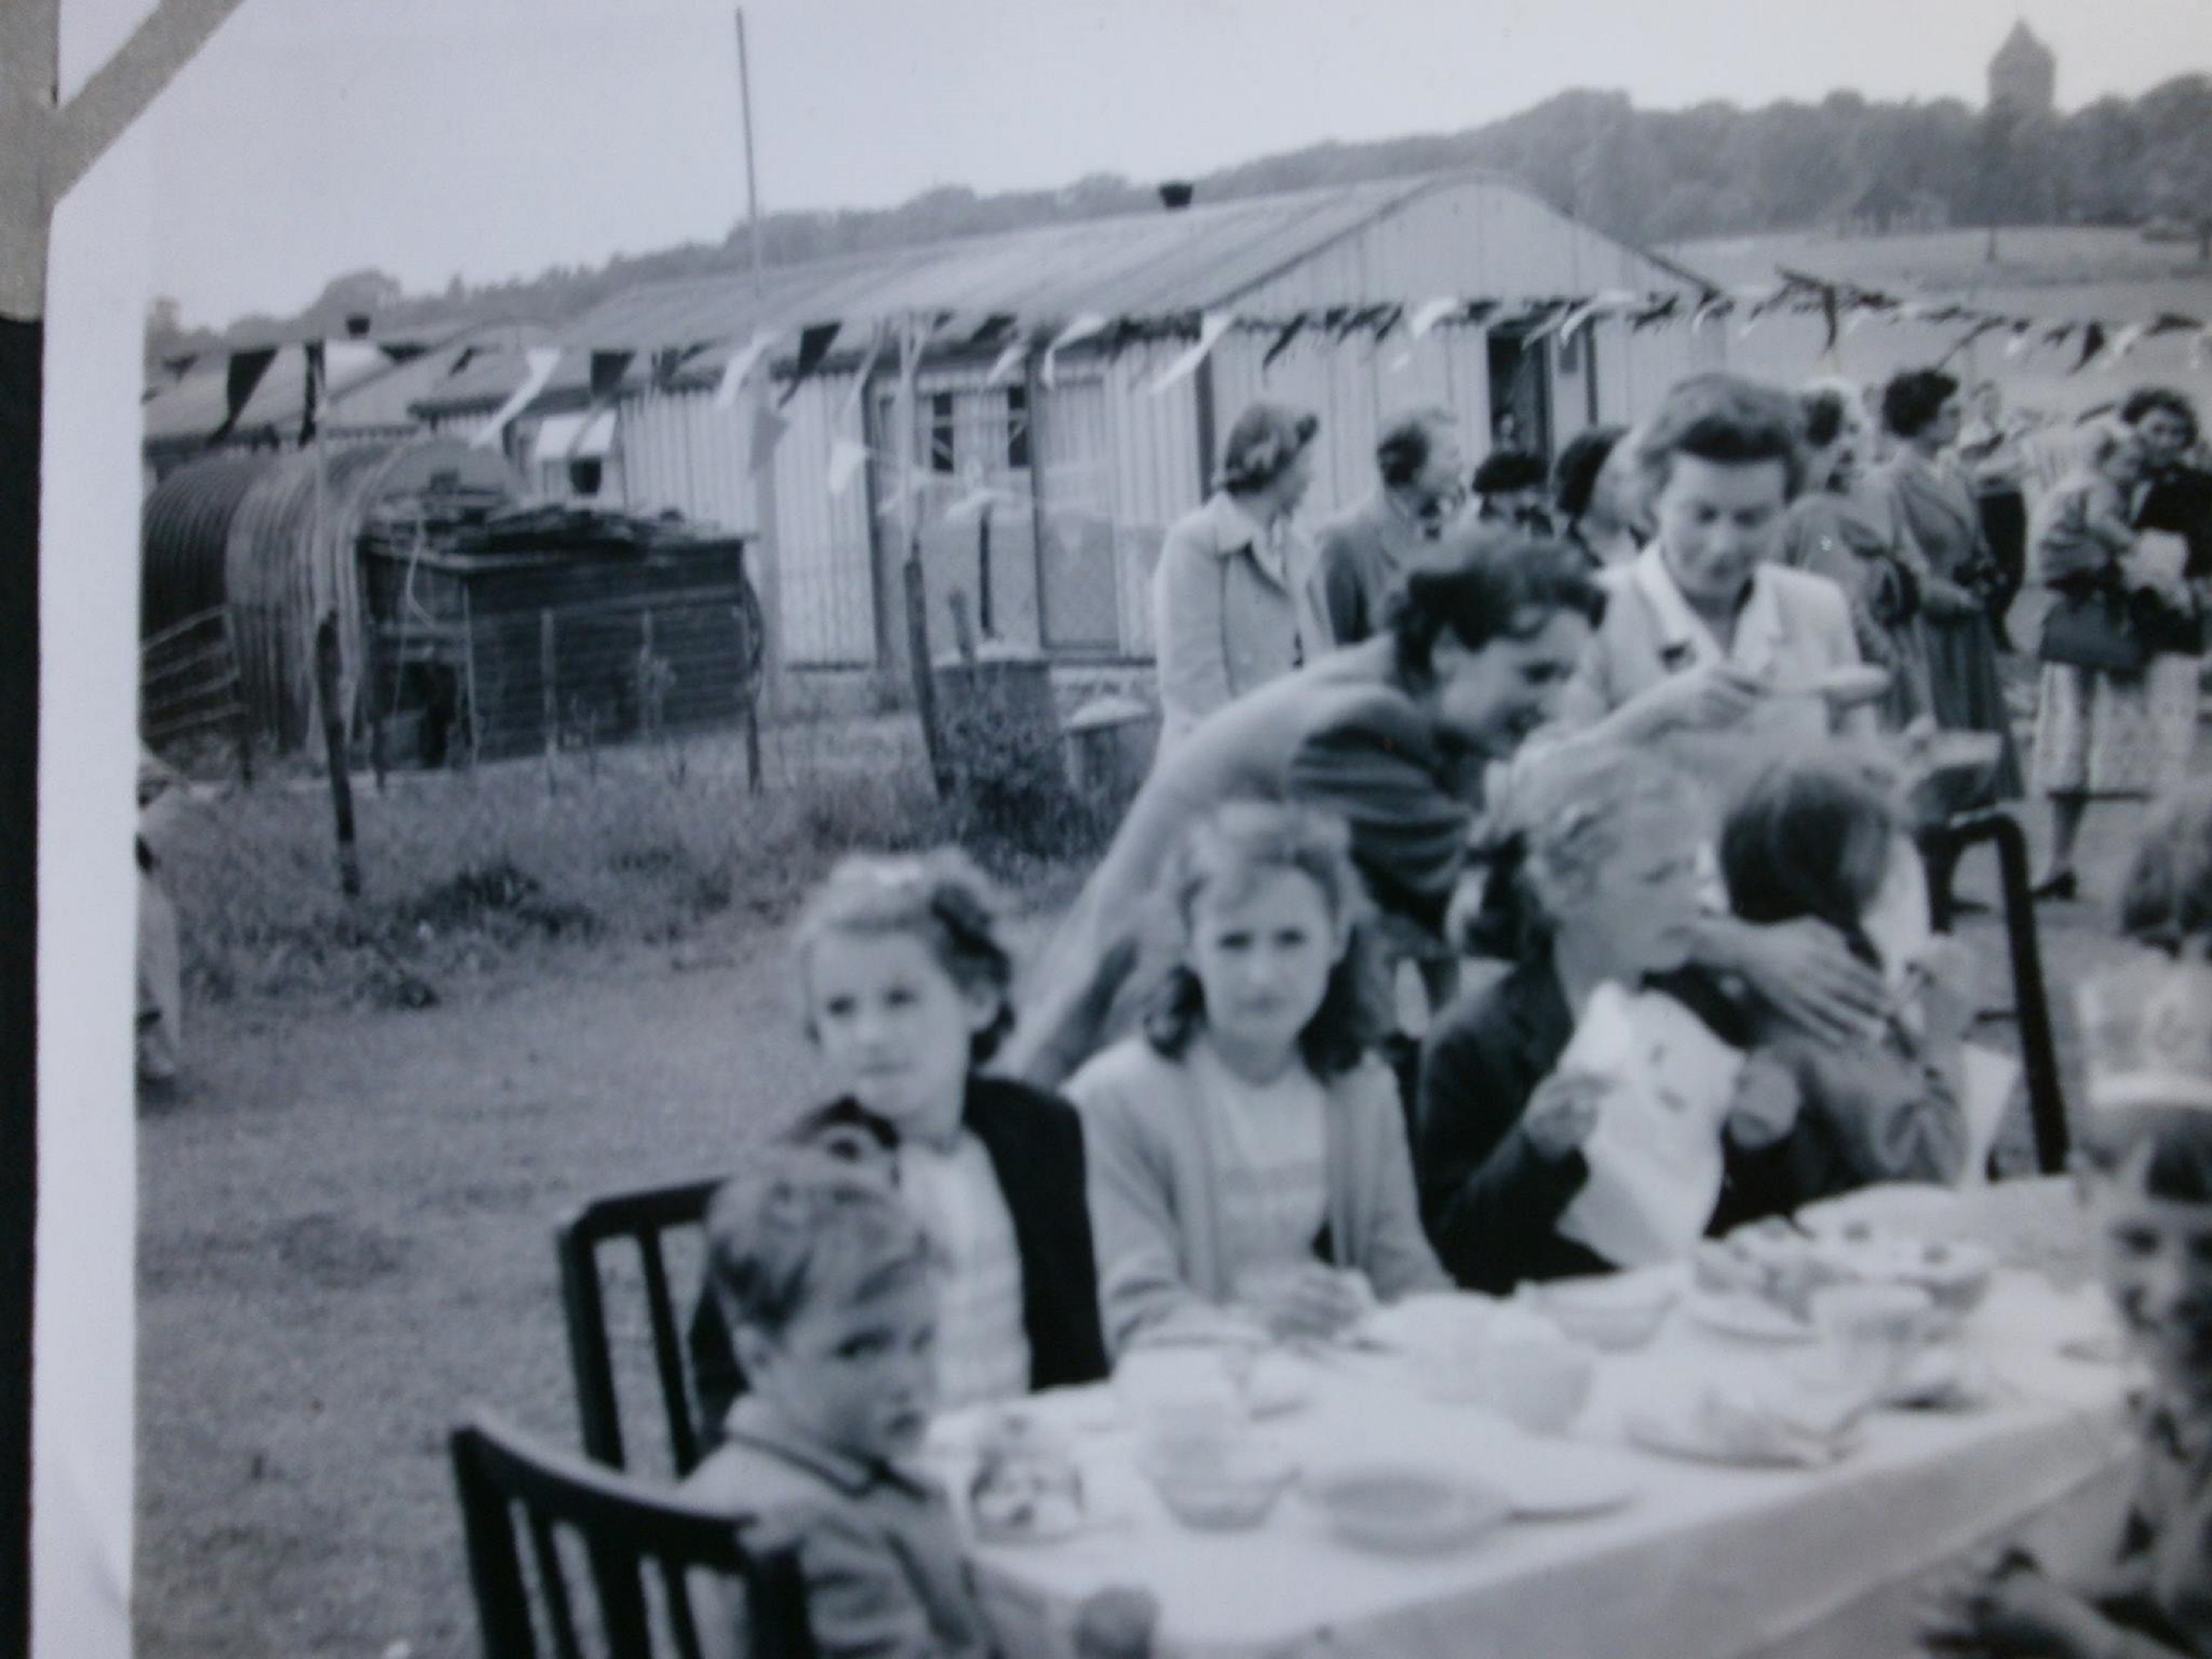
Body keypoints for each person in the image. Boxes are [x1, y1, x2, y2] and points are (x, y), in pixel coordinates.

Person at [1004, 529, 1607, 1091]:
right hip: (1155, 1038)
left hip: (1236, 1015)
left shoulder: (1429, 704)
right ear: (1449, 647)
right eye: (1535, 674)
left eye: (1565, 677)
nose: (1554, 704)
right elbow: (1493, 908)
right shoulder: (1362, 724)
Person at [688, 853, 1108, 1448]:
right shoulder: (807, 1175)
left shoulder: (1042, 1133)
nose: (870, 1035)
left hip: (1034, 1457)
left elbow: (1083, 1326)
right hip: (874, 1477)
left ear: (978, 1000)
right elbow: (726, 1374)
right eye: (841, 1009)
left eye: (900, 999)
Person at [685, 1152, 1155, 1659]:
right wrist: (1086, 1647)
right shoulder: (814, 1522)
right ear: (760, 1359)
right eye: (860, 1349)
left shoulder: (743, 1475)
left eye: (922, 1341)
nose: (906, 1379)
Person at [1066, 803, 1447, 1353]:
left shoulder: (1362, 1087)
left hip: (1326, 1381)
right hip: (1189, 1398)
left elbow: (1403, 1272)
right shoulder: (1116, 1100)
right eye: (1233, 942)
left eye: (1291, 939)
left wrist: (1466, 1329)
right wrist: (1257, 1325)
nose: (1262, 975)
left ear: (1337, 939)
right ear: (1191, 946)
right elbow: (1134, 1314)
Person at [1417, 744, 1795, 1293]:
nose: (1690, 896)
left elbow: (1745, 1218)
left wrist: (1763, 1139)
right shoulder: (1473, 1042)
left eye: (1691, 868)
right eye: (1657, 877)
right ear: (1564, 893)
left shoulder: (1703, 1007)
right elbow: (1459, 1254)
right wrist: (1534, 1153)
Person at [1921, 959, 2212, 1659]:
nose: (2173, 1290)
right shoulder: (2184, 1402)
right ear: (2084, 1200)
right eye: (2137, 1240)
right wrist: (2030, 1594)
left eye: (2211, 1250)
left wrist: (2070, 1632)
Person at [1536, 373, 1878, 797]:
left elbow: (1862, 776)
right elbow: (1538, 788)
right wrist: (1653, 713)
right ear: (1653, 501)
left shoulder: (1818, 608)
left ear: (1786, 509)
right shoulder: (1587, 612)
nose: (1723, 546)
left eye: (1752, 519)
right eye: (1700, 515)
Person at [1716, 754, 1973, 1213]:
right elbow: (1930, 1164)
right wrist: (1943, 1038)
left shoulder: (1753, 980)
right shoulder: (1826, 1003)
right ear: (1852, 880)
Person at [2028, 422, 2186, 901]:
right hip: (2106, 622)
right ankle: (2159, 867)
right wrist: (2143, 554)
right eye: (2129, 463)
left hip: (2076, 619)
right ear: (2104, 459)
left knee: (2073, 745)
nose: (2135, 472)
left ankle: (2059, 860)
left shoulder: (2066, 485)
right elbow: (2104, 529)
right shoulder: (2099, 489)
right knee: (2138, 746)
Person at [1872, 368, 2025, 800]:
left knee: (1973, 738)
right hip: (1925, 624)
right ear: (1919, 418)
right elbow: (1888, 554)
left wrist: (1985, 580)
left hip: (1967, 619)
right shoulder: (1888, 482)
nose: (1959, 420)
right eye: (1949, 412)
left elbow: (1976, 545)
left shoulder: (1956, 478)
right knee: (1938, 733)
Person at [1151, 401, 1319, 749]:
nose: (1312, 475)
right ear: (1271, 463)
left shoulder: (1298, 545)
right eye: (1305, 462)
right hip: (1223, 769)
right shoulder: (1197, 543)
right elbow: (1194, 686)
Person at [1779, 383, 1932, 731]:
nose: (1844, 448)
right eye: (1834, 437)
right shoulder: (1812, 514)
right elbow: (1834, 576)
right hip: (1844, 657)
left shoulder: (1876, 494)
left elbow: (1907, 556)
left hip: (1880, 641)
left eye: (1852, 431)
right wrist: (1890, 660)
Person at [1304, 407, 1466, 650]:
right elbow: (1330, 651)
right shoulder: (1345, 539)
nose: (1462, 466)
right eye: (1451, 455)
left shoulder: (1457, 529)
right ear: (1413, 467)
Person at [2123, 388, 2212, 786]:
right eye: (2155, 430)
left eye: (2177, 433)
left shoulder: (2199, 485)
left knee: (2171, 736)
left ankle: (2164, 829)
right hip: (2112, 620)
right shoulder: (2113, 481)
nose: (2166, 441)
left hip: (2175, 619)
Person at [1959, 379, 2033, 650]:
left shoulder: (2009, 429)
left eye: (1995, 399)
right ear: (1975, 403)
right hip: (1986, 502)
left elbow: (2027, 463)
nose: (1992, 405)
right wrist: (2002, 468)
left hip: (2012, 498)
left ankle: (1996, 619)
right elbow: (1974, 472)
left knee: (2016, 567)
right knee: (1993, 564)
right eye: (1986, 400)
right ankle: (1992, 625)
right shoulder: (1969, 433)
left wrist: (1999, 468)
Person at [1552, 424, 1643, 569]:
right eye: (1619, 479)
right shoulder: (1561, 562)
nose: (1636, 490)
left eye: (1640, 477)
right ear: (1584, 483)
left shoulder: (1659, 550)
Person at [1473, 449, 1555, 534]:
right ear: (1492, 495)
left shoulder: (1539, 521)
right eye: (1515, 494)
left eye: (1534, 491)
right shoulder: (1477, 532)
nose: (1528, 501)